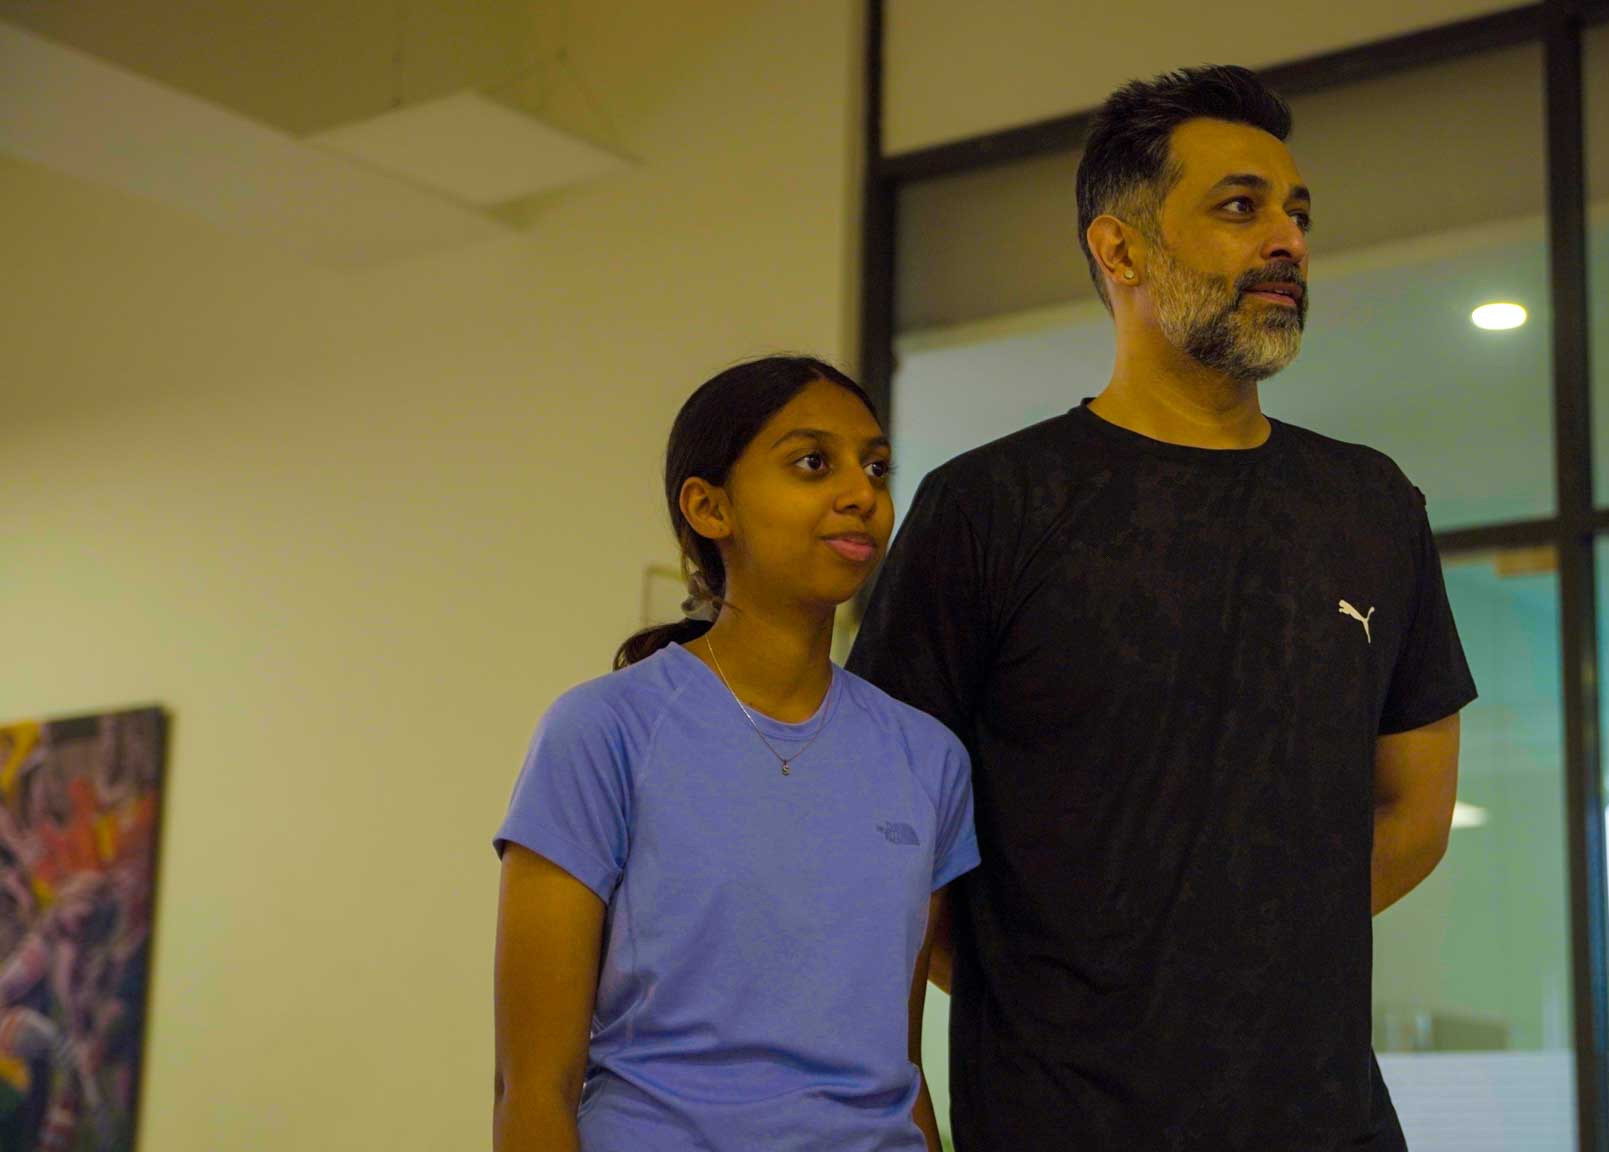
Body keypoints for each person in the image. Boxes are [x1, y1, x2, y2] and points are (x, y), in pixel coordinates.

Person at [847, 67, 1476, 1151]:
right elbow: (882, 845)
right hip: (1056, 1123)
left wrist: (1247, 953)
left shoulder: (1370, 504)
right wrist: (1040, 1000)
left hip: (1324, 1126)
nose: (1285, 239)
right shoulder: (988, 507)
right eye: (1240, 208)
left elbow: (1414, 816)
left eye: (1297, 213)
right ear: (1120, 249)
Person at [492, 355, 978, 1152]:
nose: (862, 493)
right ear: (709, 507)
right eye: (813, 462)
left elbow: (899, 1070)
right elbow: (530, 1090)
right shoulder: (602, 732)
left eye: (876, 466)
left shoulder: (928, 760)